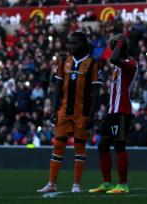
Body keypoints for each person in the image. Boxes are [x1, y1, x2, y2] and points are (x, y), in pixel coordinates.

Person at [37, 32, 105, 193]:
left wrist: (91, 115)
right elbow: (58, 88)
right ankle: (51, 183)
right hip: (64, 112)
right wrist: (54, 110)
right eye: (68, 43)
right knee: (58, 145)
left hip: (82, 113)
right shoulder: (63, 62)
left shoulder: (93, 64)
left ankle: (76, 184)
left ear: (82, 44)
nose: (70, 46)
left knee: (79, 148)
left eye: (73, 43)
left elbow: (96, 91)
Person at [90, 34, 138, 194]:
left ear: (121, 47)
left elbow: (113, 58)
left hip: (123, 111)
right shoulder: (119, 66)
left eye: (114, 47)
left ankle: (123, 184)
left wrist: (121, 41)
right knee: (102, 145)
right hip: (112, 111)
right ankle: (107, 183)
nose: (112, 51)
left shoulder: (131, 63)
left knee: (119, 145)